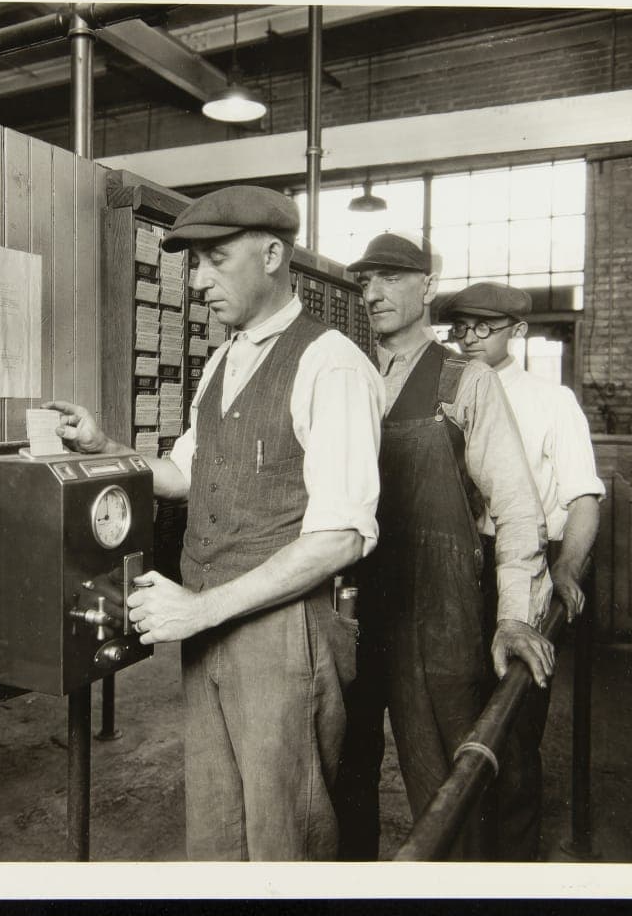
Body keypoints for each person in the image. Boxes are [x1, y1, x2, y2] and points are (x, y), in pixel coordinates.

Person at [45, 185, 385, 861]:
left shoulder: (331, 364)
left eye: (215, 260)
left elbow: (341, 535)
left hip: (284, 638)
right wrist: (104, 447)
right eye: (193, 264)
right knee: (218, 825)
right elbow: (184, 474)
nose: (198, 282)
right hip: (211, 628)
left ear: (271, 254)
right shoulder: (224, 361)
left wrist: (202, 610)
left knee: (284, 829)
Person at [334, 231, 553, 861]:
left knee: (447, 784)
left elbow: (517, 510)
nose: (374, 293)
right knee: (345, 772)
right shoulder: (349, 377)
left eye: (392, 278)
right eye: (366, 280)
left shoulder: (467, 379)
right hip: (352, 608)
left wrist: (513, 614)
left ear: (427, 286)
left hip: (438, 614)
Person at [440, 281, 605, 860]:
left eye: (486, 326)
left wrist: (566, 569)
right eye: (461, 326)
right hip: (458, 574)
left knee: (514, 728)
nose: (470, 337)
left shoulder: (550, 400)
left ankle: (514, 866)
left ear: (519, 331)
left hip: (527, 570)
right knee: (458, 726)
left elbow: (583, 497)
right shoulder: (445, 392)